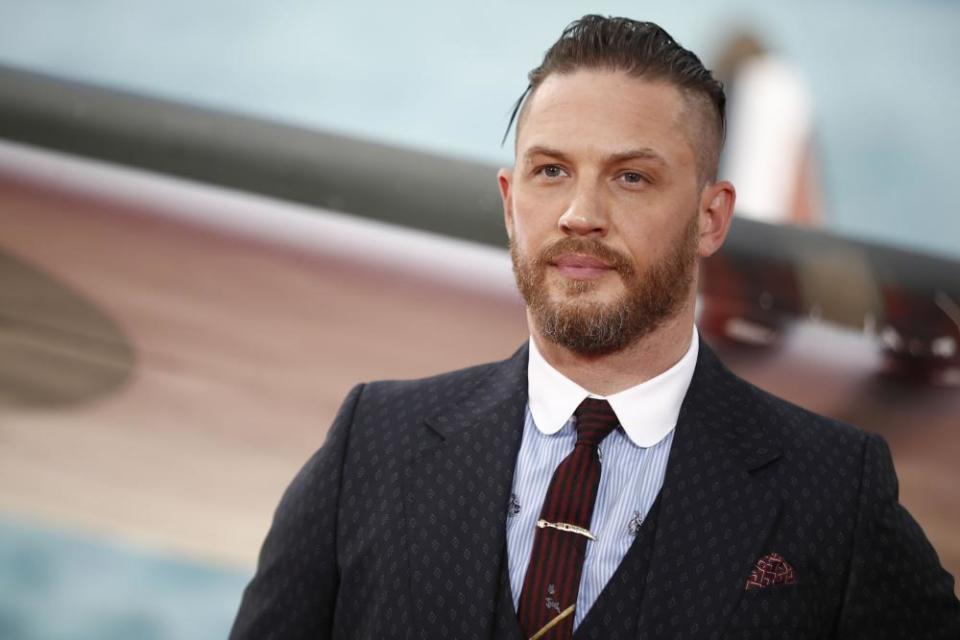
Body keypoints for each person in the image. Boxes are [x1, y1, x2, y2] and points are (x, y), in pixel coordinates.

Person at [230, 16, 959, 639]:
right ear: (510, 202)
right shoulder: (371, 445)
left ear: (711, 218)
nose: (581, 213)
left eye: (630, 177)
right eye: (551, 172)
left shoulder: (835, 490)